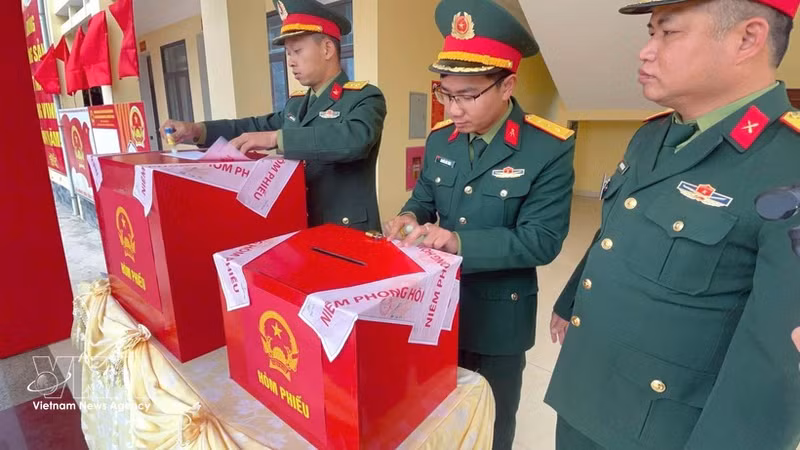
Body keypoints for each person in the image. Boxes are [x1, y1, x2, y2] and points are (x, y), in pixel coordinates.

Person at [545, 0, 800, 448]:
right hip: (586, 394)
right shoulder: (653, 135)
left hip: (664, 428)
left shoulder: (787, 163)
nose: (646, 51)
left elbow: (776, 364)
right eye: (651, 33)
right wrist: (570, 299)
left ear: (748, 39)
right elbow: (616, 231)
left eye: (669, 33)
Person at [384, 0, 575, 447]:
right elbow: (424, 198)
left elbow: (541, 240)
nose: (453, 109)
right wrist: (409, 217)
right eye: (445, 94)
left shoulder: (547, 148)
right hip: (435, 307)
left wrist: (456, 241)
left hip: (499, 318)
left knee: (491, 425)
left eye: (467, 95)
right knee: (435, 416)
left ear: (507, 85)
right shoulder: (441, 140)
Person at [161, 0, 386, 231]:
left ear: (327, 49)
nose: (290, 62)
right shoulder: (296, 104)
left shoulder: (364, 97)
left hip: (347, 231)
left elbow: (354, 139)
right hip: (300, 226)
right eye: (288, 53)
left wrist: (276, 138)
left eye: (297, 51)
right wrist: (197, 130)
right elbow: (253, 127)